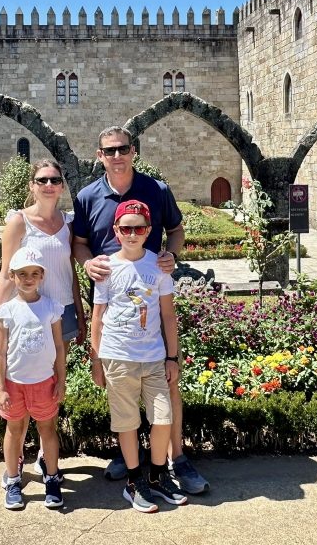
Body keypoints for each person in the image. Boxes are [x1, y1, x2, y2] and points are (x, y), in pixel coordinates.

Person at [73, 126, 210, 494]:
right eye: (109, 150)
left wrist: (172, 254)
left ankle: (176, 458)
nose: (116, 155)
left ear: (133, 151)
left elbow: (177, 231)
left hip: (152, 293)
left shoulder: (157, 190)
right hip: (110, 296)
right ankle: (129, 457)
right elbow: (80, 243)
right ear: (99, 155)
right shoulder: (88, 196)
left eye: (122, 149)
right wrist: (86, 264)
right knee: (122, 383)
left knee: (166, 377)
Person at [0, 159, 85, 485]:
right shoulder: (18, 222)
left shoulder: (69, 222)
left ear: (61, 185)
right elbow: (5, 273)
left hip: (61, 312)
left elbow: (71, 272)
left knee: (49, 384)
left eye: (54, 179)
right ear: (32, 185)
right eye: (42, 179)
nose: (48, 185)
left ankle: (45, 457)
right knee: (21, 382)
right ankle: (16, 455)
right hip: (24, 314)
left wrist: (81, 313)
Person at [90, 200, 187, 512]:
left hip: (154, 359)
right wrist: (96, 360)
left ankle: (158, 476)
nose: (132, 234)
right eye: (126, 228)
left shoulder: (157, 266)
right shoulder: (107, 268)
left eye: (140, 228)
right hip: (118, 358)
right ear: (116, 230)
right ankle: (134, 481)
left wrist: (172, 358)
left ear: (149, 232)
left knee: (163, 419)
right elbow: (97, 317)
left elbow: (169, 316)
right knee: (127, 423)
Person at [0, 246, 66, 511]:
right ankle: (13, 480)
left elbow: (58, 347)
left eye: (35, 273)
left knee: (47, 429)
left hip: (44, 382)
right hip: (15, 384)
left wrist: (61, 379)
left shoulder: (51, 308)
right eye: (22, 273)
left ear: (42, 276)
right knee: (14, 430)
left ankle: (52, 478)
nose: (28, 278)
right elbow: (0, 353)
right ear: (12, 276)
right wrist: (1, 388)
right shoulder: (7, 311)